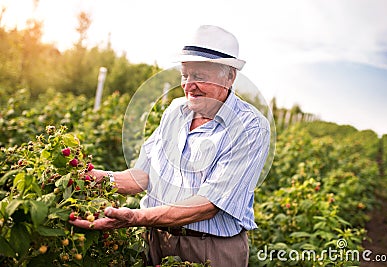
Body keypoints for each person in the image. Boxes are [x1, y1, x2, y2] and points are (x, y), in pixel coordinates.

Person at [70, 25, 270, 266]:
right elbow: (142, 175)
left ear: (230, 77)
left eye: (200, 76)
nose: (188, 85)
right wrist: (92, 179)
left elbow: (208, 205)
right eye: (185, 75)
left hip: (209, 249)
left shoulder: (250, 126)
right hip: (156, 239)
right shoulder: (176, 110)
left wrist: (135, 217)